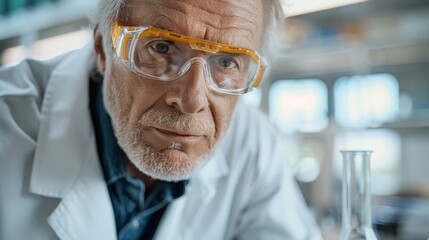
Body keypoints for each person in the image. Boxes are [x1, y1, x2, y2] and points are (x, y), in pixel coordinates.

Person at [0, 0, 322, 239]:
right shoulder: (7, 124)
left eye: (226, 61)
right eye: (162, 47)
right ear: (103, 47)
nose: (191, 100)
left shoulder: (253, 146)